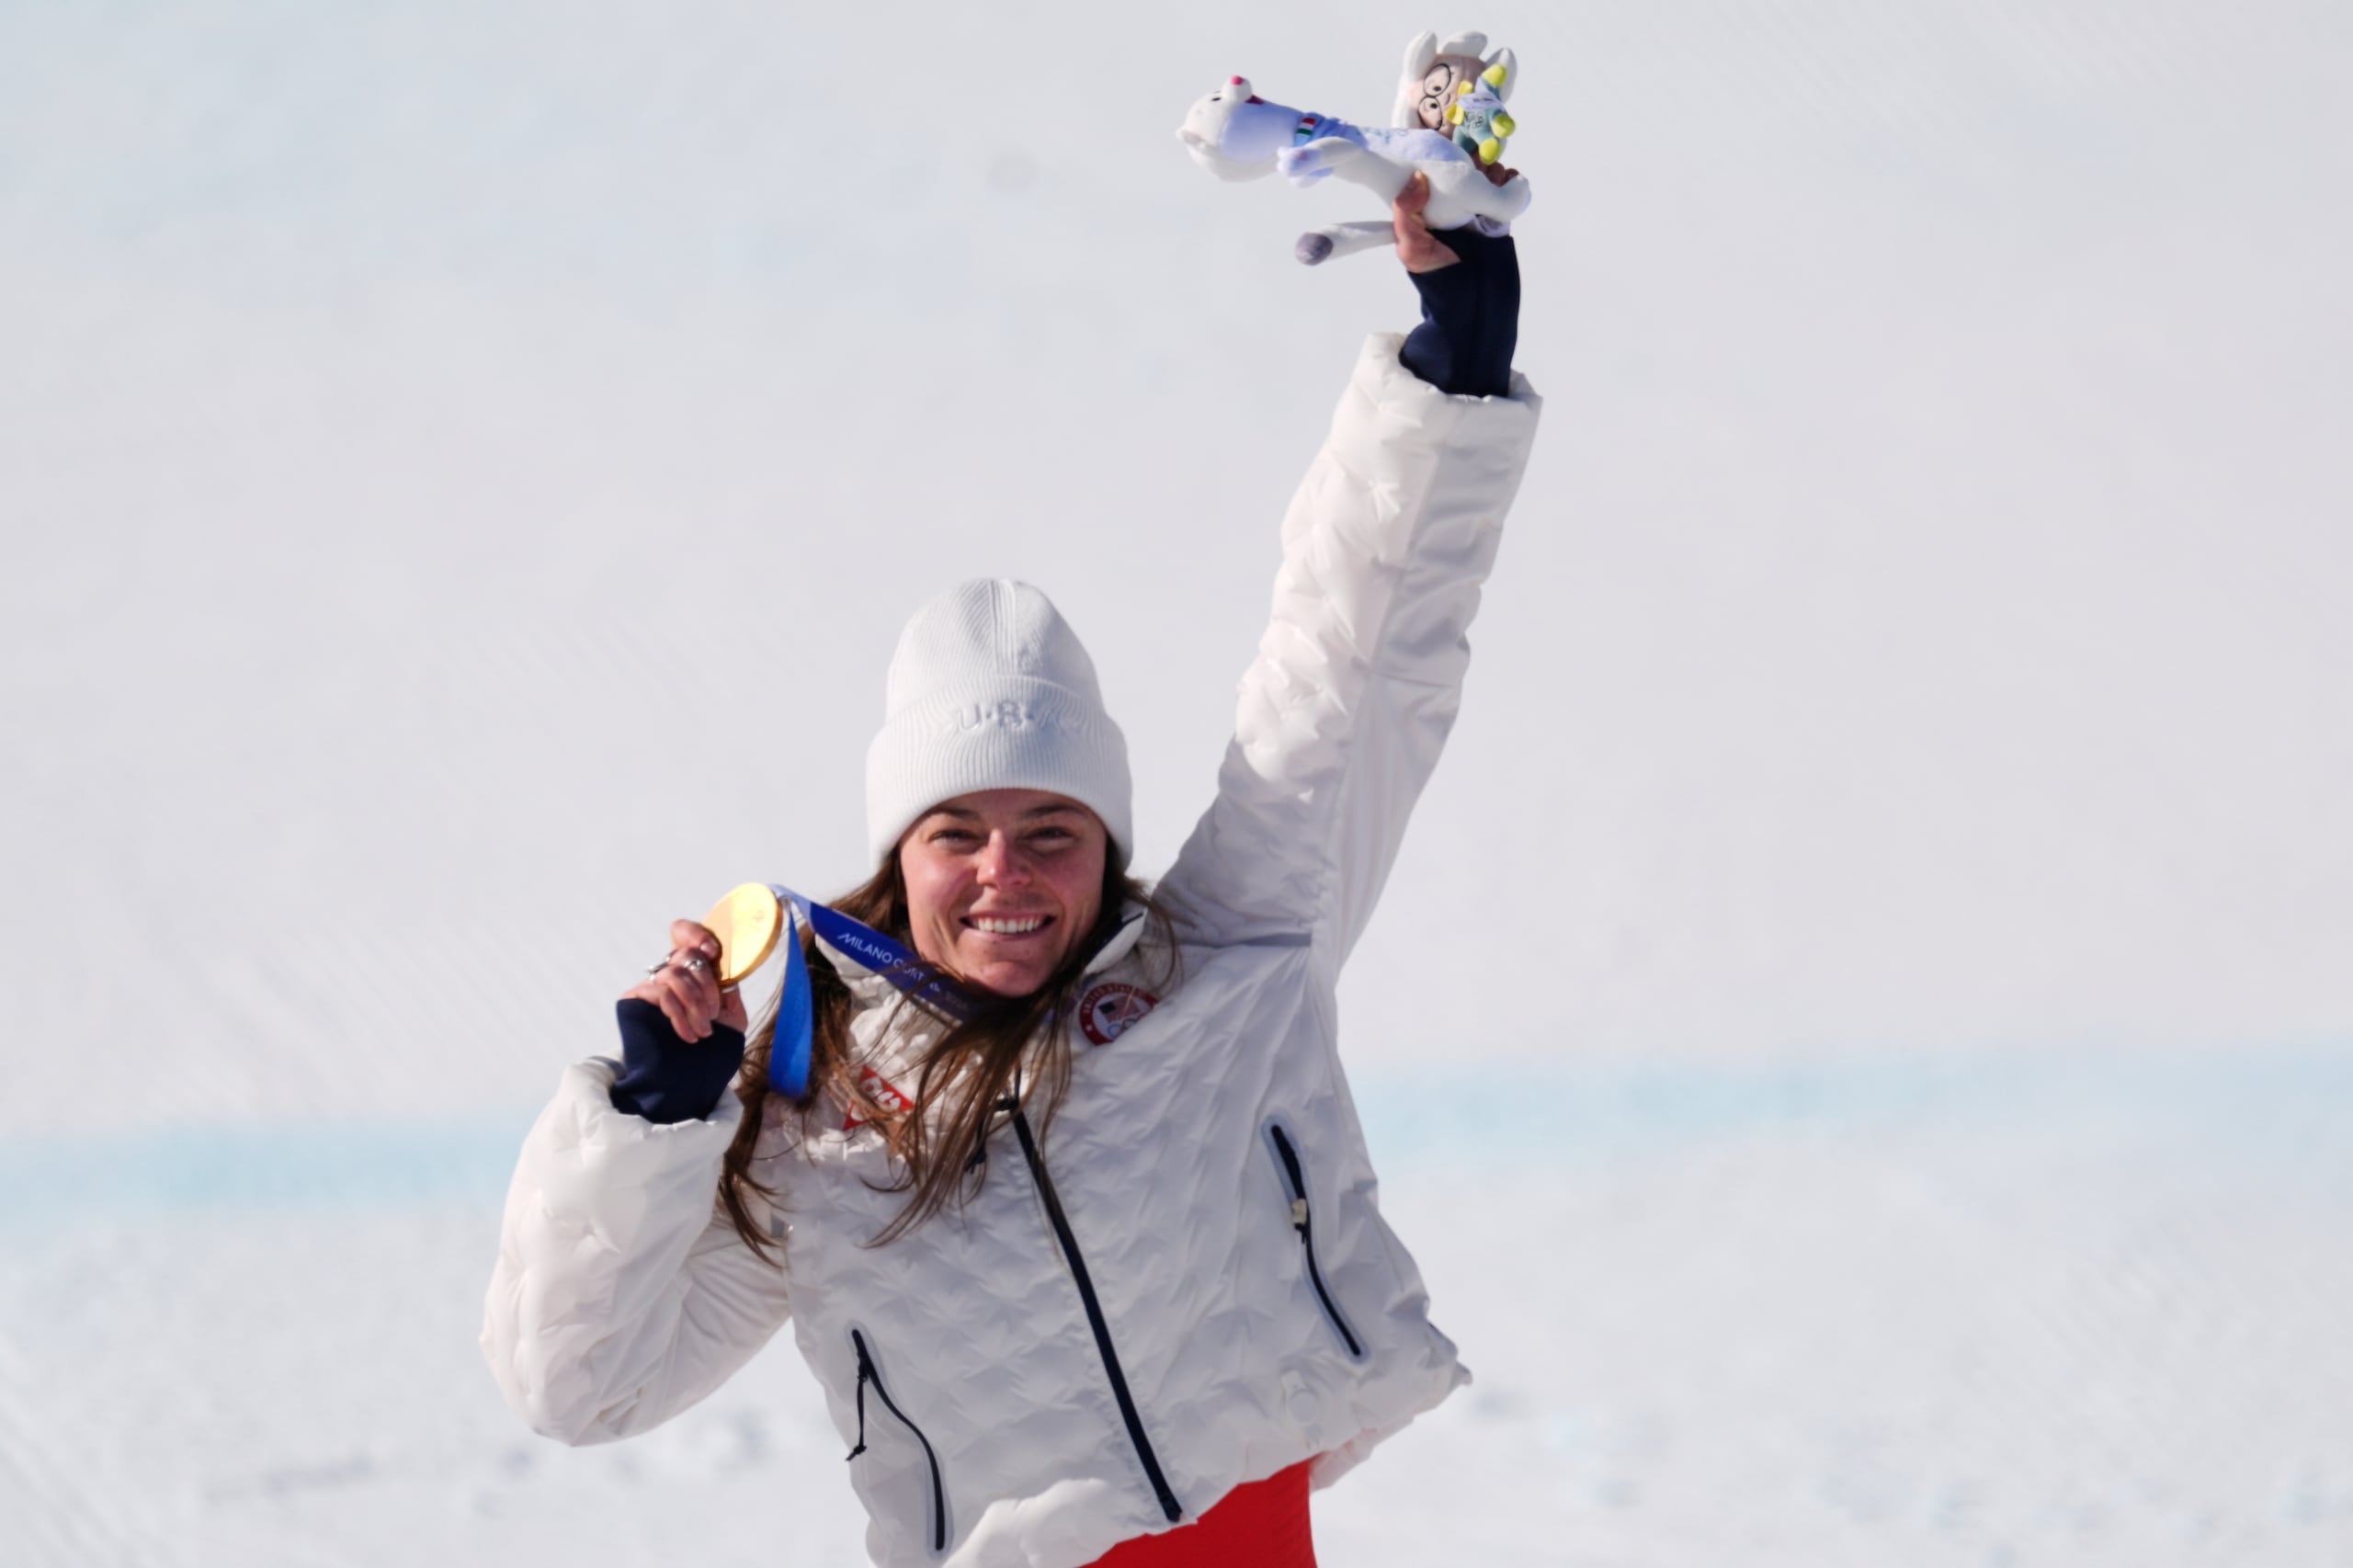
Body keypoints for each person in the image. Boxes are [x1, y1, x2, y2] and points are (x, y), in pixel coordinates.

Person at [482, 173, 1541, 1568]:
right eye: (956, 834)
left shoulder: (1228, 953)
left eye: (1052, 829)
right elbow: (578, 1384)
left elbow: (1353, 663)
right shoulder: (822, 1118)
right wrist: (654, 1129)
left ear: (1106, 842)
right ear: (897, 853)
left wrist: (1447, 372)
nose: (1006, 875)